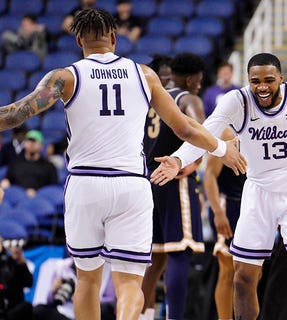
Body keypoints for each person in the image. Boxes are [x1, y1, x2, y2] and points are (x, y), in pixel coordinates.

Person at [0, 8, 246, 320]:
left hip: (86, 184)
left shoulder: (65, 77)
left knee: (87, 278)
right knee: (130, 282)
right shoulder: (145, 74)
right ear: (114, 38)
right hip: (132, 185)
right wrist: (223, 148)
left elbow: (14, 115)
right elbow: (184, 127)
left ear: (78, 41)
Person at [151, 53, 287, 320]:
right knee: (243, 279)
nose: (262, 86)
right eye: (255, 81)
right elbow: (207, 131)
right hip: (258, 193)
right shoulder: (237, 101)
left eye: (269, 80)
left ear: (281, 79)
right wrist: (178, 159)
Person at [140, 52, 210, 320]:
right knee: (179, 253)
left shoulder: (149, 100)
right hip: (175, 179)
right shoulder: (186, 98)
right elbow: (202, 130)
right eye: (200, 81)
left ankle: (141, 316)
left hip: (147, 182)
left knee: (155, 259)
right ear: (192, 79)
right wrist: (192, 162)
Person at [203, 128, 247, 320]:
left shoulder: (263, 126)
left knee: (252, 272)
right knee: (228, 270)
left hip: (253, 205)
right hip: (229, 204)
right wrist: (218, 213)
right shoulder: (228, 134)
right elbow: (210, 175)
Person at [1, 130, 58, 198]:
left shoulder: (49, 166)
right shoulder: (15, 162)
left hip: (39, 200)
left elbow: (53, 188)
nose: (31, 143)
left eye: (34, 141)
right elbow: (7, 179)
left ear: (41, 145)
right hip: (16, 198)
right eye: (29, 140)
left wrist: (37, 193)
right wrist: (5, 181)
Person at [0, 240, 33, 320]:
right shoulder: (4, 261)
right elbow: (6, 279)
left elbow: (29, 283)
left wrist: (21, 263)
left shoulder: (17, 263)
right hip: (3, 305)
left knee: (27, 307)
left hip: (14, 305)